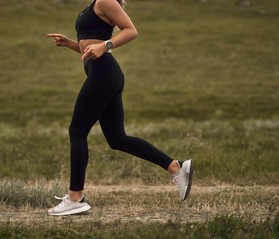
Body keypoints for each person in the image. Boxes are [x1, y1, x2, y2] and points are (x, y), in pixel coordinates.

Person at [46, 0, 193, 216]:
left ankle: (75, 197)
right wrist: (70, 43)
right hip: (105, 74)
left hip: (104, 73)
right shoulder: (93, 4)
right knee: (117, 139)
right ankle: (176, 167)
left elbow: (131, 31)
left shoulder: (106, 0)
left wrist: (105, 45)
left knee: (77, 132)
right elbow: (90, 48)